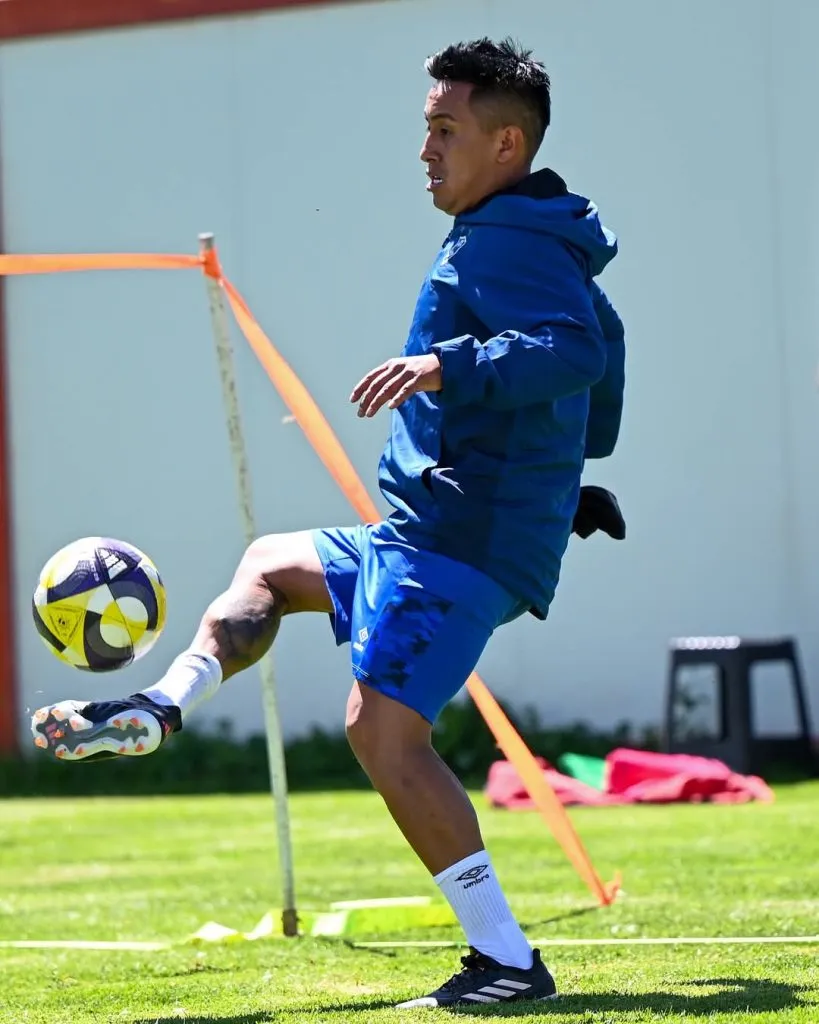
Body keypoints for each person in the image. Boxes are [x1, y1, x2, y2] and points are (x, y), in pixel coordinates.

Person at [31, 37, 626, 1009]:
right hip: (435, 529)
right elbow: (602, 365)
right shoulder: (543, 238)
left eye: (446, 130)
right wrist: (570, 485)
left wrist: (447, 367)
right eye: (424, 128)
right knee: (271, 564)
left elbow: (568, 353)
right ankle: (160, 707)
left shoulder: (506, 239)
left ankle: (506, 960)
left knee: (382, 731)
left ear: (507, 143)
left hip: (457, 539)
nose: (425, 150)